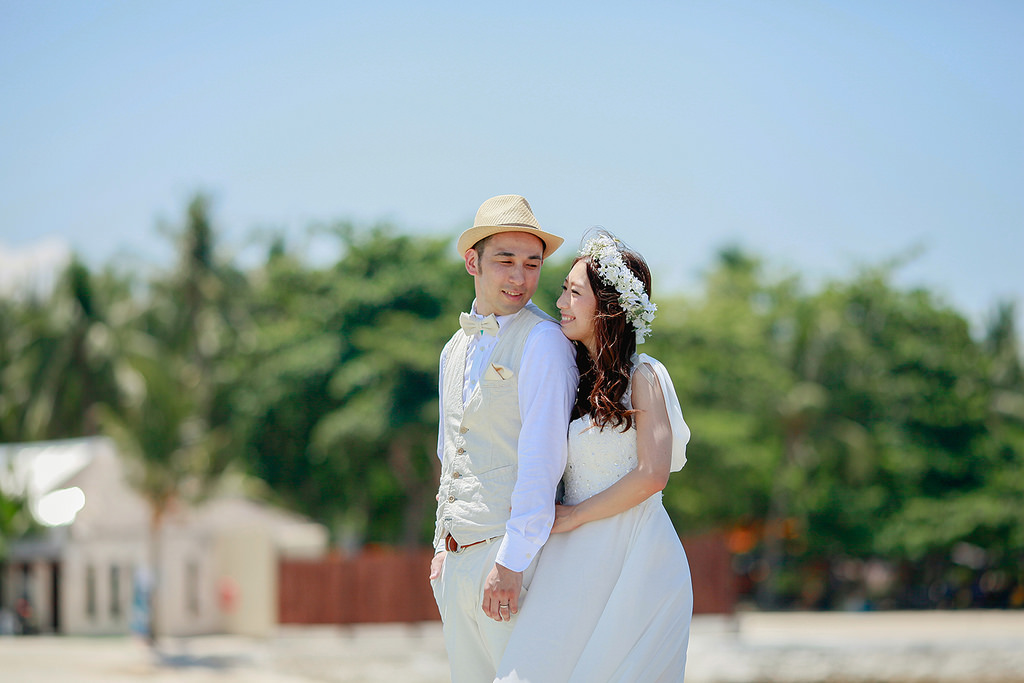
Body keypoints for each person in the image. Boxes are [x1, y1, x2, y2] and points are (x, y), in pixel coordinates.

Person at [495, 230, 693, 682]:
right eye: (564, 288)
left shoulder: (643, 376)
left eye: (574, 292)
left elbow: (652, 474)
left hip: (634, 554)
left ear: (608, 306)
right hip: (571, 552)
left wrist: (575, 517)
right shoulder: (574, 374)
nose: (561, 301)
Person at [429, 194, 579, 683]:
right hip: (455, 561)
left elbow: (543, 462)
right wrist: (439, 549)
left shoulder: (545, 342)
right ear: (473, 261)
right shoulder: (454, 349)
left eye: (532, 264)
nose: (520, 277)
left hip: (509, 557)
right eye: (506, 261)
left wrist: (511, 565)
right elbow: (449, 454)